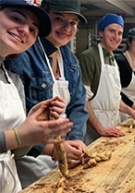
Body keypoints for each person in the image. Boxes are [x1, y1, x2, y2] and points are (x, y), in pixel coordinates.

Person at [5, 0, 89, 188]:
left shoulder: (70, 59)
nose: (67, 28)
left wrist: (75, 139)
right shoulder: (21, 54)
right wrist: (52, 149)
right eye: (59, 18)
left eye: (73, 22)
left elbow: (78, 104)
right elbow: (18, 123)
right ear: (45, 16)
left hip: (67, 152)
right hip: (32, 159)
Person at [78, 14, 135, 144]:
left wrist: (132, 112)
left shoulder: (112, 58)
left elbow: (116, 99)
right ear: (101, 32)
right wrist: (100, 129)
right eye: (112, 31)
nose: (116, 37)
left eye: (120, 33)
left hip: (114, 123)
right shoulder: (89, 57)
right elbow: (82, 100)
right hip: (95, 127)